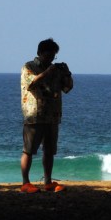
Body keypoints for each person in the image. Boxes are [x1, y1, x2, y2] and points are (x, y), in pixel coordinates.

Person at [20, 38, 73, 193]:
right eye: (48, 55)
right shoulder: (29, 67)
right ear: (39, 53)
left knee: (49, 150)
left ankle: (48, 182)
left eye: (53, 56)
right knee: (28, 150)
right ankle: (25, 182)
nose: (51, 59)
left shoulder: (55, 70)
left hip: (52, 115)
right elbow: (31, 84)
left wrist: (67, 73)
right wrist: (47, 72)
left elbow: (68, 88)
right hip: (34, 115)